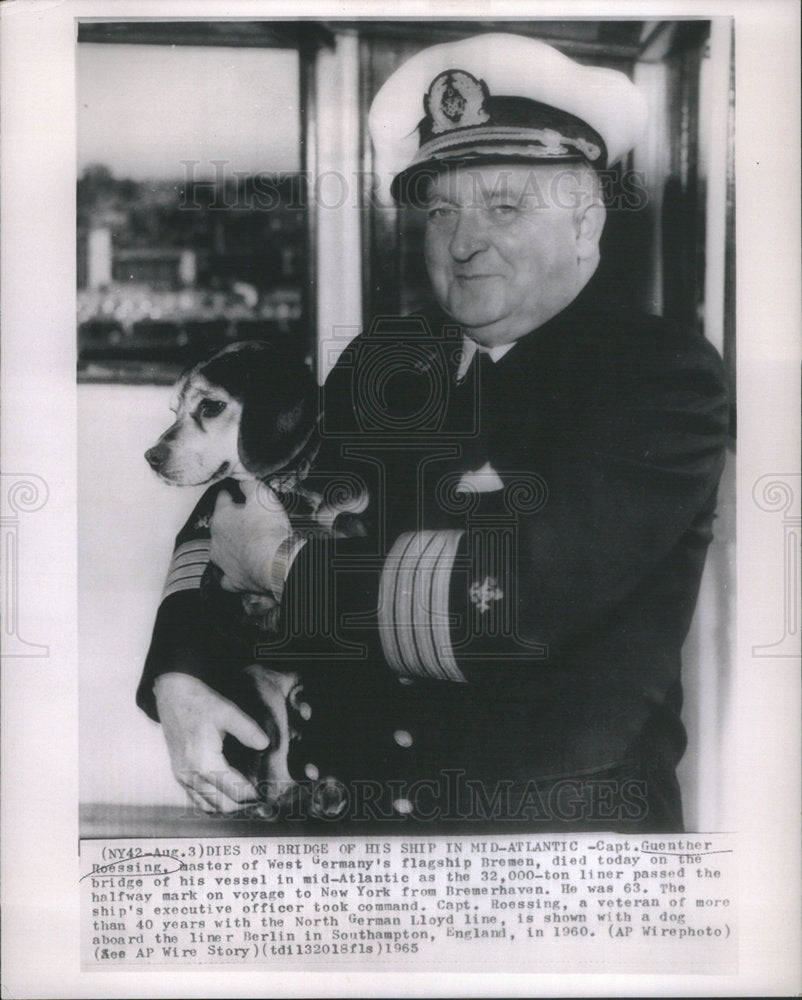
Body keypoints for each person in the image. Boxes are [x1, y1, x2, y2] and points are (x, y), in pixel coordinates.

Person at [137, 33, 730, 831]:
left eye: (505, 206)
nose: (462, 240)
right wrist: (184, 675)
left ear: (588, 224)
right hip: (345, 819)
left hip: (547, 851)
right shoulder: (393, 356)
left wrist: (281, 564)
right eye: (442, 208)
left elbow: (507, 606)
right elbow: (242, 499)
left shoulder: (658, 376)